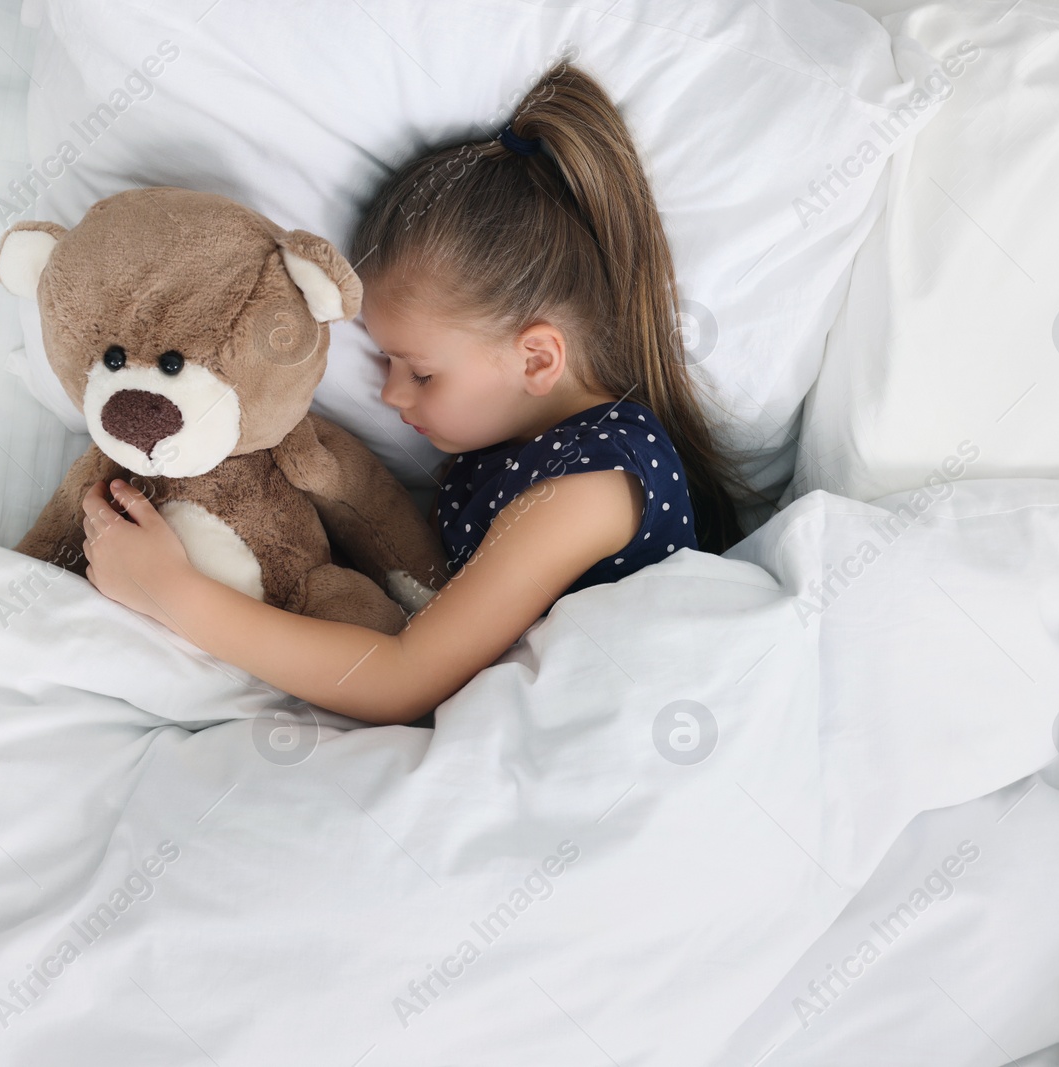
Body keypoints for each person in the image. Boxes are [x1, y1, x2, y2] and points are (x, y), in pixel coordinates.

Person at [78, 60, 761, 725]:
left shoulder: (591, 488)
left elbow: (402, 679)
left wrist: (172, 592)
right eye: (383, 361)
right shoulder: (510, 458)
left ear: (537, 357)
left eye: (420, 371)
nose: (390, 394)